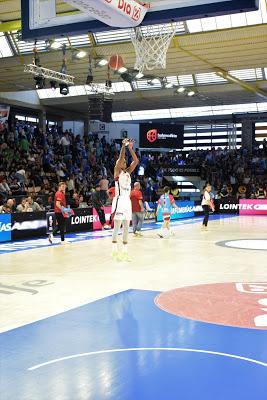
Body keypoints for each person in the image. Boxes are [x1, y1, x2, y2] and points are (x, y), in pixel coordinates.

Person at [111, 138, 139, 261]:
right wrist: (123, 146)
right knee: (117, 226)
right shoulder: (117, 171)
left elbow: (136, 161)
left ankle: (125, 252)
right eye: (121, 161)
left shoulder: (128, 172)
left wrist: (130, 148)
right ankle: (114, 251)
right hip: (119, 200)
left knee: (127, 225)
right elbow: (121, 158)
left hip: (127, 201)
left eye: (124, 161)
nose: (123, 161)